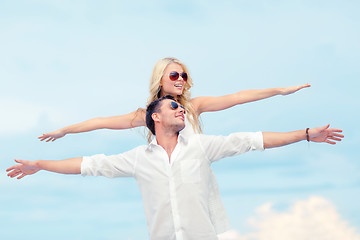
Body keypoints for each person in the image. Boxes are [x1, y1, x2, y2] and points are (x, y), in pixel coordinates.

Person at [7, 95, 343, 240]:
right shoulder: (138, 158)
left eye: (182, 106)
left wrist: (306, 134)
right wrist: (41, 164)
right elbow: (88, 165)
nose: (181, 109)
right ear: (155, 117)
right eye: (173, 107)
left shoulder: (202, 146)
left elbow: (253, 139)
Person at [38, 57, 310, 143]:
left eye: (185, 75)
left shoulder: (193, 106)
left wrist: (279, 90)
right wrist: (65, 130)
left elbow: (237, 97)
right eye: (175, 74)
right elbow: (100, 122)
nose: (181, 79)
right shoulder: (146, 114)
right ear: (161, 79)